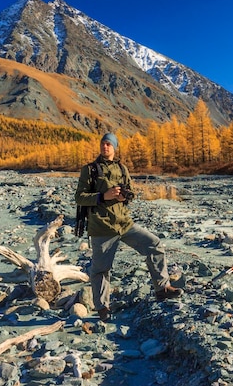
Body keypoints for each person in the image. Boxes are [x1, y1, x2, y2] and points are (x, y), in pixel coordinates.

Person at [75, 132, 183, 322]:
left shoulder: (122, 168)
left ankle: (162, 288)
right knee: (101, 269)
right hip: (101, 226)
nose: (105, 146)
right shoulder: (90, 170)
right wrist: (102, 196)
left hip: (124, 223)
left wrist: (125, 196)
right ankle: (102, 308)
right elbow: (79, 197)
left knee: (154, 244)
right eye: (103, 143)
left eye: (109, 144)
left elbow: (131, 192)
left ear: (115, 147)